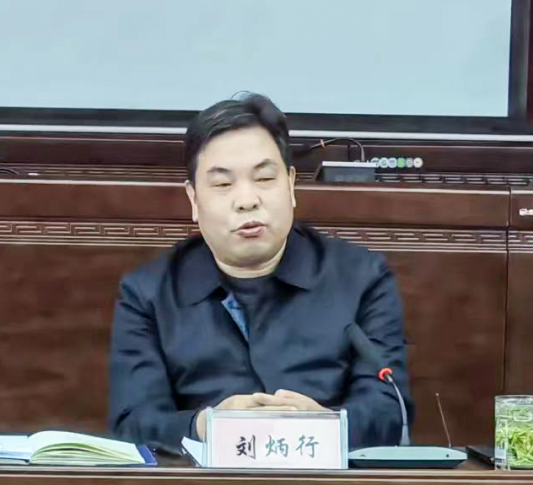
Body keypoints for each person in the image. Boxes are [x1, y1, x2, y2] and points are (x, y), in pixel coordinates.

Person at [108, 93, 412, 453]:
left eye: (264, 178)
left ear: (291, 185)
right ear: (194, 199)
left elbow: (388, 410)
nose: (247, 200)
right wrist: (204, 426)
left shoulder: (362, 279)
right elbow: (133, 422)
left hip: (326, 484)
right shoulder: (148, 294)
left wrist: (327, 425)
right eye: (223, 184)